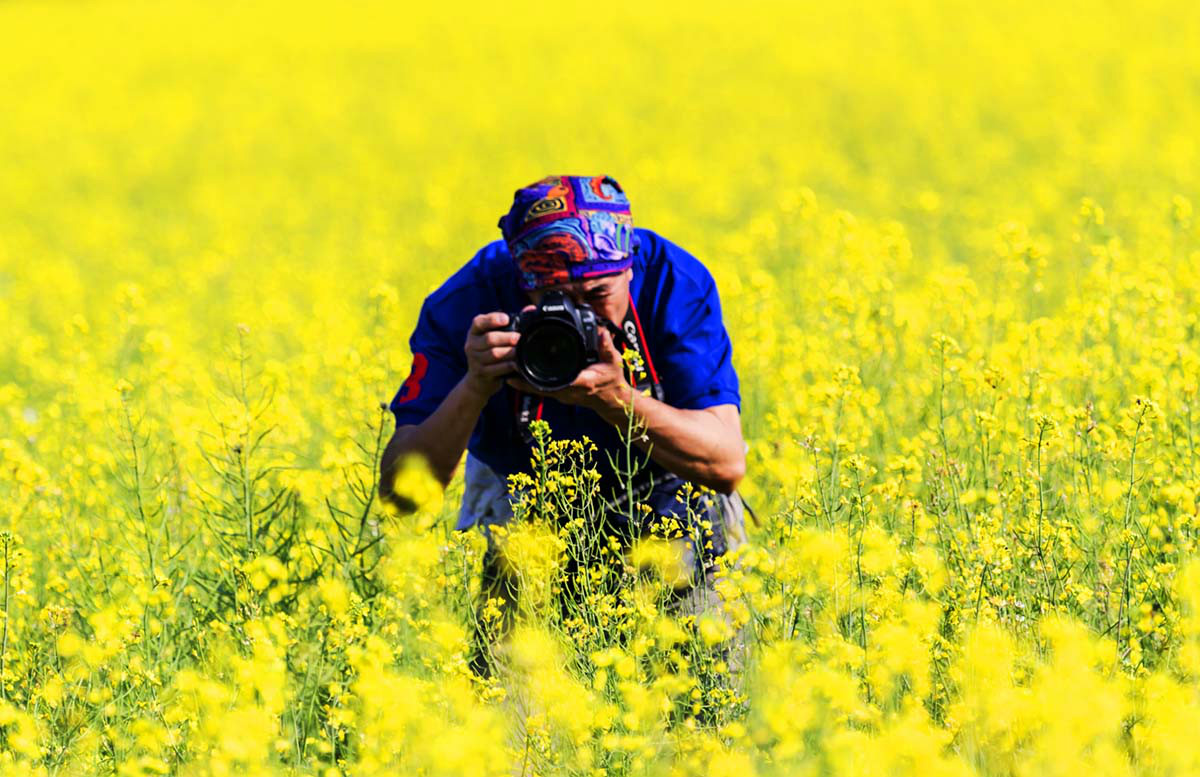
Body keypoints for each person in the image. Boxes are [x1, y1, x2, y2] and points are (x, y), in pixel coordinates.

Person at [378, 174, 748, 680]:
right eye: (555, 296)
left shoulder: (671, 281)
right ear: (522, 280)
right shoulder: (468, 301)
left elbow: (726, 463)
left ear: (628, 265)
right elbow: (402, 495)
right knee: (514, 716)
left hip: (668, 491)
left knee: (704, 694)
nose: (581, 316)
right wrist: (475, 385)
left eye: (598, 293)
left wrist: (615, 400)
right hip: (526, 502)